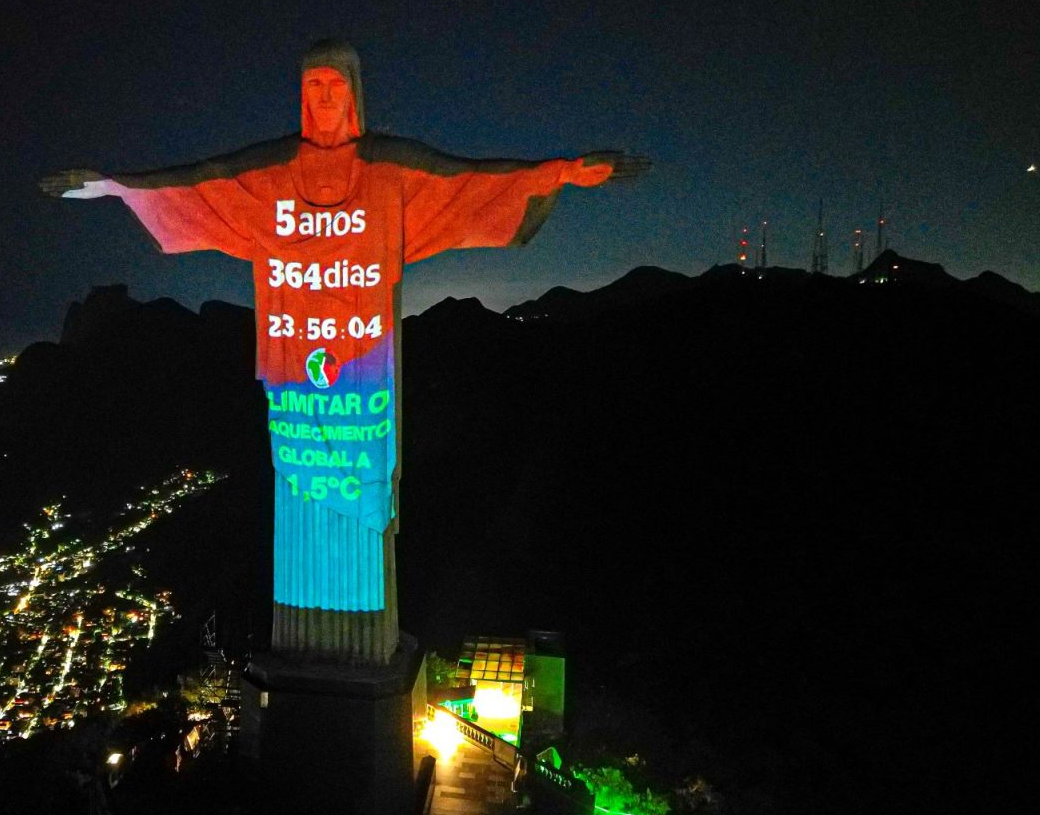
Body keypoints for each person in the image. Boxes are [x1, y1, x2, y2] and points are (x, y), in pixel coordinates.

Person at [41, 40, 647, 664]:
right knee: (298, 503)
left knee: (364, 507)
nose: (324, 97)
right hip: (297, 381)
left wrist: (564, 172)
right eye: (313, 87)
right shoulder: (271, 174)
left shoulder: (388, 171)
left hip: (364, 380)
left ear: (353, 95)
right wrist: (111, 187)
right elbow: (198, 183)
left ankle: (358, 634)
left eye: (334, 85)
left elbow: (468, 180)